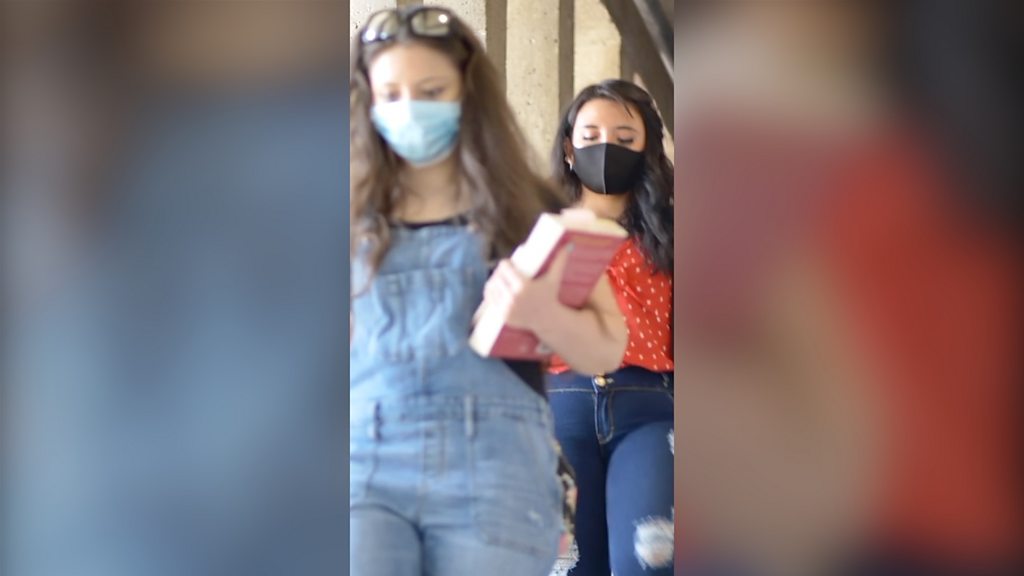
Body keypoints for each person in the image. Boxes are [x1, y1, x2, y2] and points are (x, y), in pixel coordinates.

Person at [348, 7, 628, 576]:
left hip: (496, 465)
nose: (409, 108)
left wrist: (544, 312)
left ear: (467, 95)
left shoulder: (530, 209)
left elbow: (606, 348)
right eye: (391, 94)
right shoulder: (345, 209)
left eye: (431, 91)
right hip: (364, 457)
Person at [546, 79, 675, 576]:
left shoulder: (674, 232)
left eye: (625, 138)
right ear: (569, 147)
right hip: (558, 409)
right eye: (591, 135)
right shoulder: (536, 229)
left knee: (651, 559)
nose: (605, 147)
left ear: (647, 149)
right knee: (570, 567)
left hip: (651, 410)